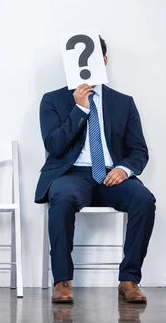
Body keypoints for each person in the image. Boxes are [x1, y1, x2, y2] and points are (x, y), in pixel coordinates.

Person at [35, 36, 155, 303]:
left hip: (113, 174)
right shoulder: (53, 100)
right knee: (62, 198)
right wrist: (79, 108)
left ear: (103, 61)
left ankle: (129, 279)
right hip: (71, 174)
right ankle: (62, 281)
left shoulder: (124, 103)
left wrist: (124, 169)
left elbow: (139, 151)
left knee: (144, 200)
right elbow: (54, 146)